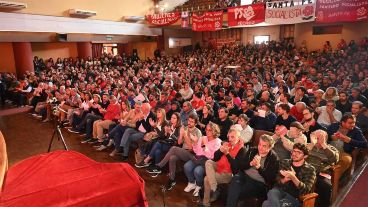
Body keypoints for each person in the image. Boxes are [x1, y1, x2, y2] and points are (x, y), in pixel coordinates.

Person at [146, 114, 202, 190]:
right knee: (172, 158)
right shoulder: (185, 128)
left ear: (195, 123)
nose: (189, 123)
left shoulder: (197, 132)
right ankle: (172, 180)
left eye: (192, 122)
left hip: (192, 154)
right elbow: (179, 142)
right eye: (189, 120)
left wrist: (185, 135)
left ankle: (159, 166)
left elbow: (192, 148)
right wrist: (181, 135)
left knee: (174, 148)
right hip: (183, 151)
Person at [226, 135, 279, 207]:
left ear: (269, 147)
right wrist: (250, 163)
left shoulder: (273, 158)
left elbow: (271, 179)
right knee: (235, 180)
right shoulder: (252, 150)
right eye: (259, 144)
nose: (260, 147)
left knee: (234, 190)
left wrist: (259, 167)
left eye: (264, 146)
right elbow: (241, 166)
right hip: (244, 175)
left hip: (258, 182)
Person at [200, 128, 244, 207]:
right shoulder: (227, 144)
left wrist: (227, 154)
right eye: (229, 137)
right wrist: (220, 151)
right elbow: (215, 158)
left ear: (239, 137)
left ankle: (205, 203)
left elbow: (236, 169)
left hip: (228, 173)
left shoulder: (242, 150)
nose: (230, 139)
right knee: (208, 162)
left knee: (207, 179)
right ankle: (214, 187)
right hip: (219, 166)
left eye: (232, 137)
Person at [183, 122, 222, 197]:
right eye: (206, 129)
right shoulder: (203, 138)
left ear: (214, 131)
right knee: (186, 166)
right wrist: (195, 143)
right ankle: (192, 183)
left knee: (197, 171)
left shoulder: (218, 141)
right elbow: (197, 151)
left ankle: (199, 186)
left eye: (210, 130)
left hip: (208, 162)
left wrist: (205, 145)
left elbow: (212, 156)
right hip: (198, 158)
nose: (207, 131)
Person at [307, 130, 339, 207]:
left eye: (320, 137)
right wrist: (312, 144)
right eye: (316, 137)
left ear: (325, 139)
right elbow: (299, 154)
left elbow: (334, 159)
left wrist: (324, 145)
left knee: (326, 186)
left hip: (321, 173)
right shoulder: (308, 145)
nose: (317, 139)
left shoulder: (331, 148)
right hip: (306, 171)